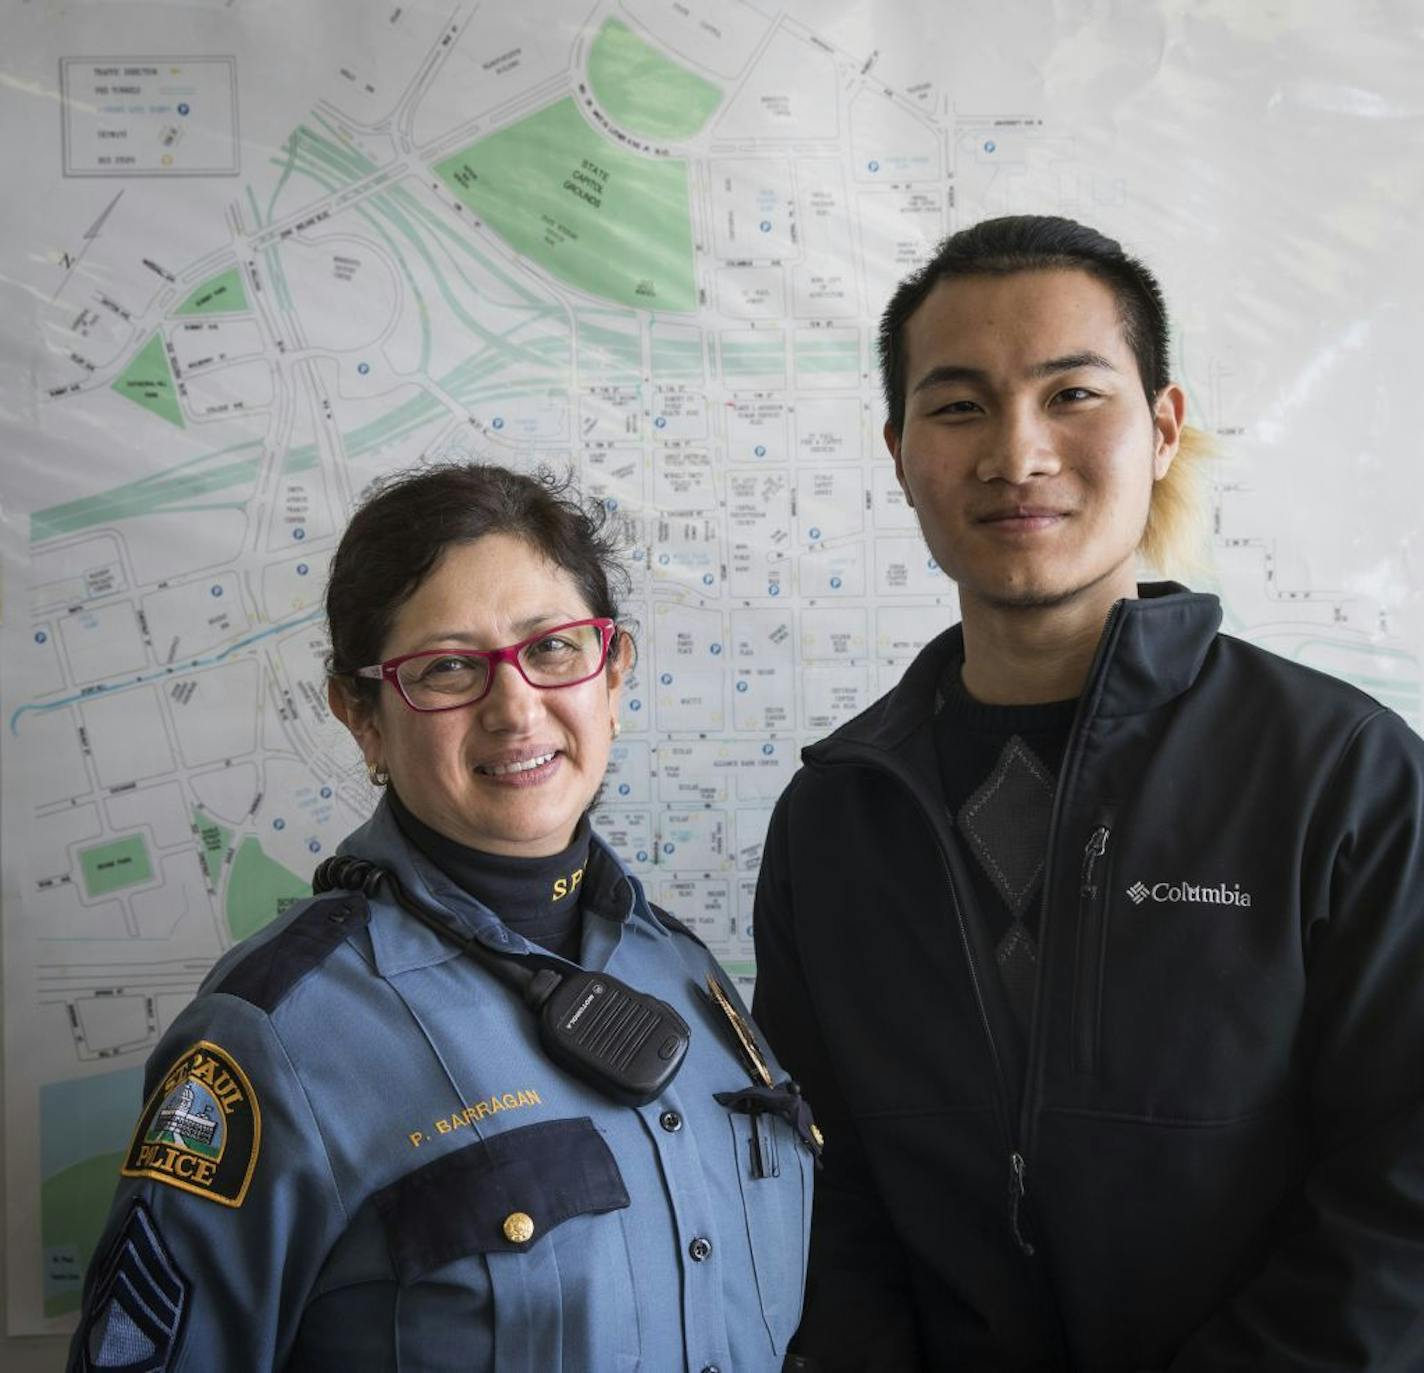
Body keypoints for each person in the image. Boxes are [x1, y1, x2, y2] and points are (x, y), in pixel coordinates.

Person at [752, 215, 1424, 1370]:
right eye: (958, 406)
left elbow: (1401, 1195)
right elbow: (823, 1189)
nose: (1016, 454)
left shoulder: (1340, 772)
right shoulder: (836, 818)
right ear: (897, 448)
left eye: (1071, 394)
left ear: (1163, 428)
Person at [70, 463, 816, 1372]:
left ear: (612, 676)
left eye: (554, 649)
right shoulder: (271, 1038)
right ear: (362, 717)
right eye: (450, 667)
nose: (514, 709)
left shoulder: (689, 975)